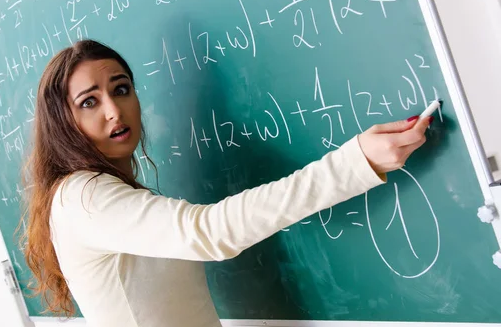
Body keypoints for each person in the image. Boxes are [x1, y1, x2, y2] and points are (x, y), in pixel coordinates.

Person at [21, 39, 432, 327]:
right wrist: (353, 163)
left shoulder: (106, 192)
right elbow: (209, 232)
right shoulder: (83, 196)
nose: (114, 110)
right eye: (89, 101)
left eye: (122, 89)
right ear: (63, 122)